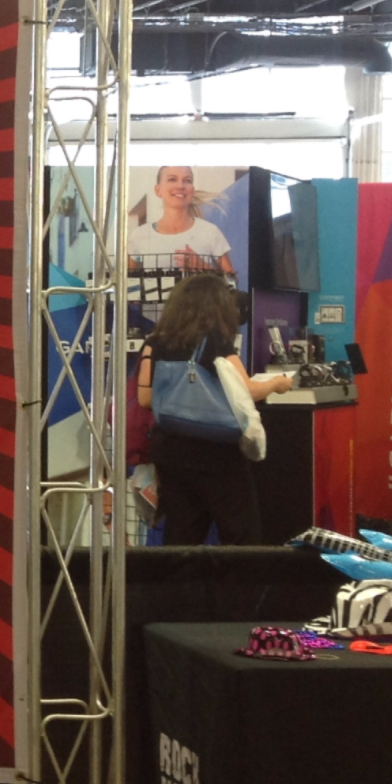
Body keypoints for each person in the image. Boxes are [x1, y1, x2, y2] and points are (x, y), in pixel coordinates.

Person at [136, 273, 291, 545]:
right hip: (216, 452)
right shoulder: (216, 341)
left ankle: (180, 575)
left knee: (182, 532)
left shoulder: (155, 343)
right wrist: (278, 384)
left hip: (170, 450)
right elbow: (247, 392)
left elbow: (145, 398)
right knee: (240, 532)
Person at [128, 165, 235, 278]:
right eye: (172, 179)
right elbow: (127, 284)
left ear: (192, 190)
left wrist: (205, 268)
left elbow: (232, 282)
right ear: (158, 190)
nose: (180, 186)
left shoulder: (211, 232)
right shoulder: (139, 235)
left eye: (187, 180)